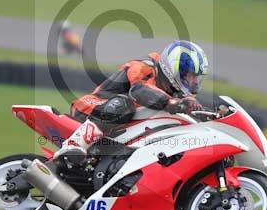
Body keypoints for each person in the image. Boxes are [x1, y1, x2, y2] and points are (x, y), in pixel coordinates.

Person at [54, 40, 209, 160]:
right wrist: (170, 103)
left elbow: (191, 107)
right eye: (189, 76)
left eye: (196, 78)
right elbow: (138, 91)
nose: (194, 82)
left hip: (118, 125)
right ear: (173, 68)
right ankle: (73, 144)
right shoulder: (145, 65)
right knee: (124, 105)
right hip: (91, 108)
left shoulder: (178, 93)